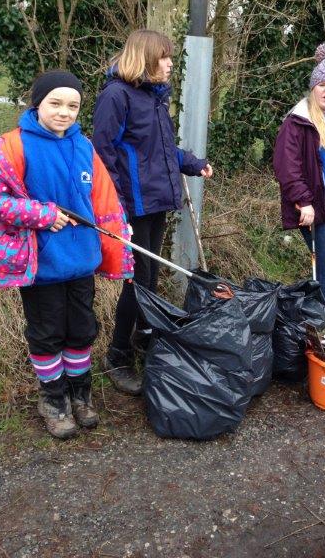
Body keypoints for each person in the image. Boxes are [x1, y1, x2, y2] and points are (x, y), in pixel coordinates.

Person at [0, 70, 133, 440]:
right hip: (41, 265)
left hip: (81, 261)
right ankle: (54, 400)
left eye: (73, 106)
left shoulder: (84, 147)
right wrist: (40, 214)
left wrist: (118, 244)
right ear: (38, 103)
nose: (64, 112)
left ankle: (80, 396)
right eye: (56, 103)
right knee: (46, 335)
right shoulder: (10, 147)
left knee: (81, 331)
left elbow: (104, 201)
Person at [92, 29, 213, 395]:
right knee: (137, 280)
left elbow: (162, 151)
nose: (171, 63)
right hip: (132, 207)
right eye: (165, 57)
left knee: (150, 277)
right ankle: (117, 356)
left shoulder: (154, 98)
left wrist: (192, 163)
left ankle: (144, 338)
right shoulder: (116, 96)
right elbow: (103, 154)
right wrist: (116, 208)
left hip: (157, 202)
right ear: (146, 57)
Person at [273, 44, 325, 322]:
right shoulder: (298, 123)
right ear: (313, 87)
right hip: (318, 208)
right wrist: (303, 201)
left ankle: (322, 305)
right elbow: (287, 168)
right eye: (322, 84)